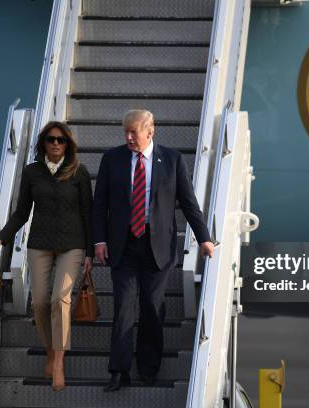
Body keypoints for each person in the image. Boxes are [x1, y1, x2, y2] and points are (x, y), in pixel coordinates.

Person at [92, 110, 214, 392]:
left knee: (151, 308)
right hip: (123, 245)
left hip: (156, 246)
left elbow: (188, 202)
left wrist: (204, 238)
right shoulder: (113, 159)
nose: (128, 138)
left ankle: (148, 368)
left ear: (150, 131)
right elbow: (100, 204)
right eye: (126, 132)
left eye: (134, 132)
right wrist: (99, 241)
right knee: (123, 308)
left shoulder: (171, 160)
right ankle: (119, 370)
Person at [0, 121, 94, 391]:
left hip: (72, 244)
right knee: (40, 303)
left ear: (68, 145)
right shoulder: (32, 172)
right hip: (40, 243)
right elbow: (22, 213)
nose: (56, 144)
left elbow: (88, 214)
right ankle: (49, 349)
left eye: (61, 140)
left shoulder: (79, 172)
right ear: (43, 143)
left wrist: (90, 251)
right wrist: (1, 238)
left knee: (60, 299)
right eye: (51, 139)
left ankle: (58, 361)